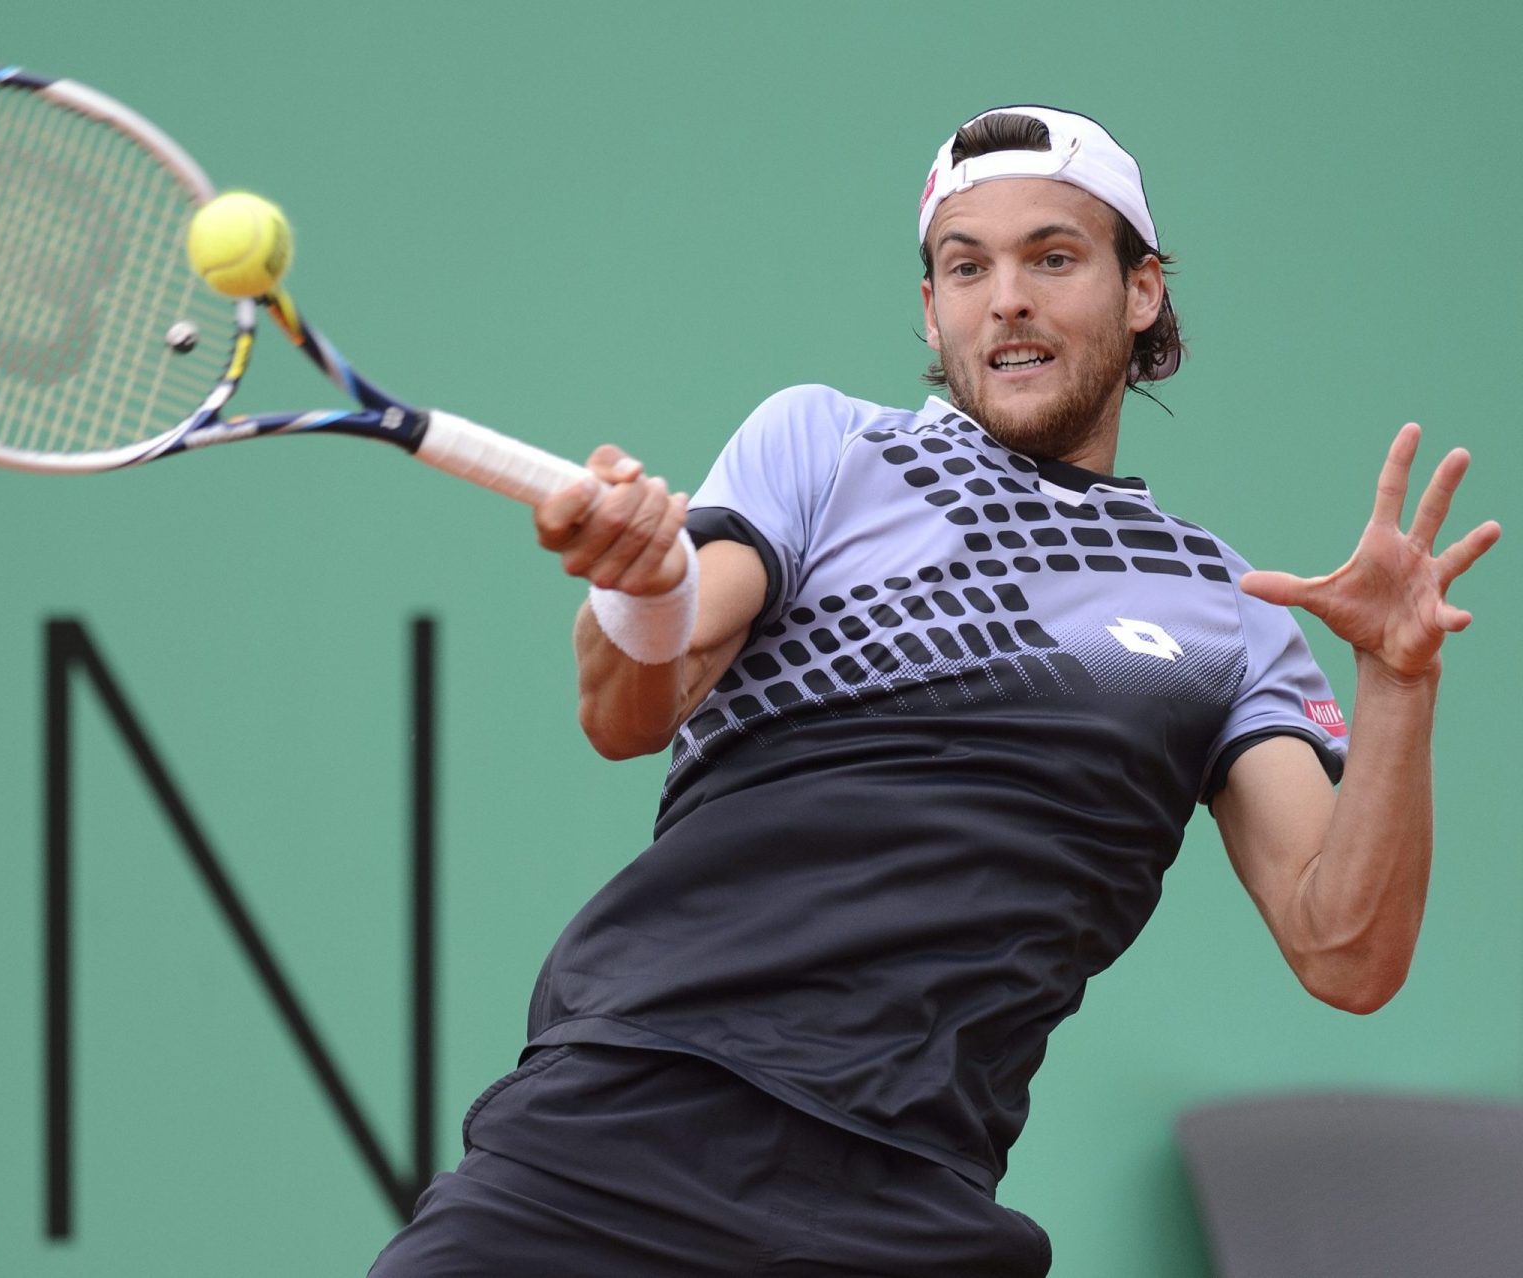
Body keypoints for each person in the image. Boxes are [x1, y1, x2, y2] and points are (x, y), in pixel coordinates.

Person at [368, 105, 1501, 1277]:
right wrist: (640, 589)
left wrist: (1397, 682)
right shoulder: (827, 450)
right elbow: (630, 711)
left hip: (909, 1201)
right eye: (967, 267)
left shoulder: (1233, 609)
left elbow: (1347, 953)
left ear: (1143, 290)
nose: (1005, 297)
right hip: (619, 1133)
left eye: (1053, 257)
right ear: (931, 308)